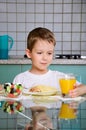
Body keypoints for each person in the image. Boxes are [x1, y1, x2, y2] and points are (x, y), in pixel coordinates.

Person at [13, 27, 86, 97]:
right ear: (29, 53)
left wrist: (80, 90)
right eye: (39, 53)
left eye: (49, 53)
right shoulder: (20, 79)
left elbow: (83, 87)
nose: (45, 58)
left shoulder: (59, 78)